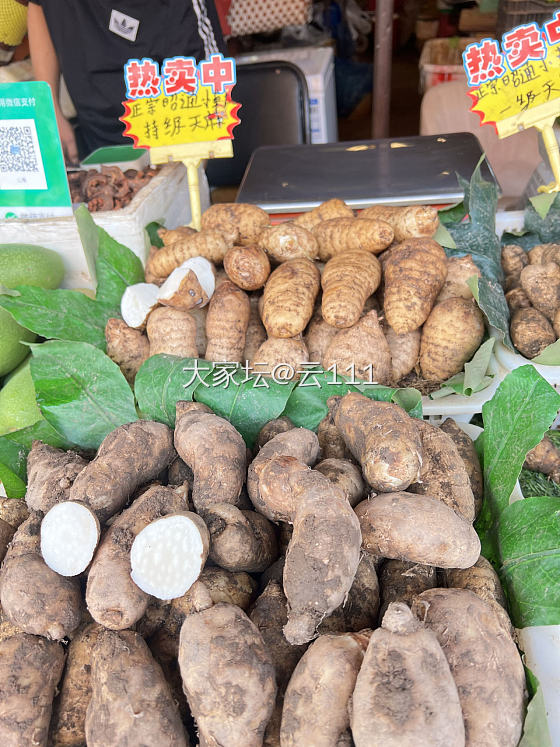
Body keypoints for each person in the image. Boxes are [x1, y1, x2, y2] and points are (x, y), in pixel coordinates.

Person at [27, 1, 226, 162]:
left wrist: (186, 167)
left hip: (170, 131)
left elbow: (209, 92)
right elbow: (38, 6)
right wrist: (48, 107)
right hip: (95, 135)